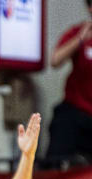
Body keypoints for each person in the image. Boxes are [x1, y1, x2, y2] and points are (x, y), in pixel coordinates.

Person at [47, 0, 92, 162]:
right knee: (62, 126)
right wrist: (80, 39)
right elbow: (55, 60)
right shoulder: (79, 32)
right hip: (76, 110)